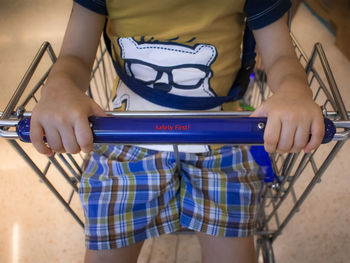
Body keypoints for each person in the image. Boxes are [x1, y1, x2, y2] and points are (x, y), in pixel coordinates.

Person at [30, 0, 324, 262]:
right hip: (124, 135)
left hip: (223, 136)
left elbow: (280, 57)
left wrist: (293, 89)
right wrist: (61, 86)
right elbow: (76, 56)